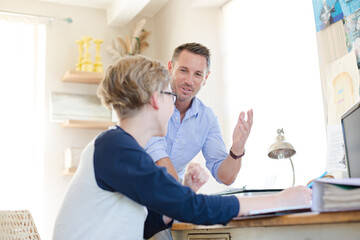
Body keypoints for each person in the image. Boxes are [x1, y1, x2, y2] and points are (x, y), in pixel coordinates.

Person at [52, 55, 312, 240]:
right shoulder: (115, 147)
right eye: (170, 95)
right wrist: (279, 199)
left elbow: (142, 226)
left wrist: (184, 192)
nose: (173, 105)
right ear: (156, 99)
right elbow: (192, 208)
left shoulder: (117, 146)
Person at [146, 42, 253, 186]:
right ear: (170, 68)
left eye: (198, 74)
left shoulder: (207, 119)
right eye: (183, 70)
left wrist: (237, 149)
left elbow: (225, 177)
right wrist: (186, 198)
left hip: (167, 197)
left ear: (205, 78)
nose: (189, 81)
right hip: (129, 194)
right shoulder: (151, 102)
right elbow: (160, 161)